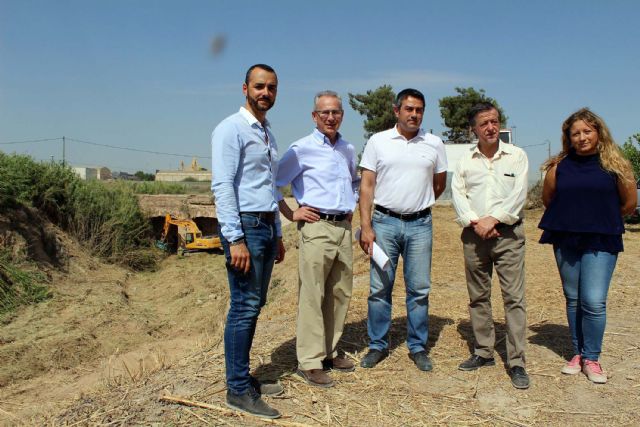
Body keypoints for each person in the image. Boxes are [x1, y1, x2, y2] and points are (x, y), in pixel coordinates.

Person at [538, 108, 636, 384]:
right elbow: (549, 199)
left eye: (587, 131)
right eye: (575, 133)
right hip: (566, 237)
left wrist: (599, 217)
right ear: (568, 138)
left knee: (593, 301)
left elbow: (628, 204)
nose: (581, 137)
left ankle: (592, 357)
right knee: (574, 298)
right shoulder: (559, 167)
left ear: (598, 132)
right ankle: (577, 353)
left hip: (601, 239)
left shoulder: (616, 166)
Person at [211, 64, 286, 419]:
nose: (265, 93)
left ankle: (243, 378)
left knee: (254, 304)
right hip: (246, 227)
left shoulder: (267, 132)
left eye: (271, 88)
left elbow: (269, 187)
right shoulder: (231, 129)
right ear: (245, 88)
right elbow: (223, 185)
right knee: (243, 306)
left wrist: (280, 233)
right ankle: (237, 389)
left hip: (267, 226)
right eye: (259, 86)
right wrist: (235, 238)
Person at [358, 88, 447, 372]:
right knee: (379, 288)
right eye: (409, 109)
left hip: (421, 225)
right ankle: (377, 345)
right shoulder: (378, 141)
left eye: (419, 110)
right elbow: (367, 186)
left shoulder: (434, 143)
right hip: (384, 223)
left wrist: (419, 204)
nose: (414, 114)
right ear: (396, 110)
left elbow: (439, 184)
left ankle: (418, 346)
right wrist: (365, 226)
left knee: (419, 289)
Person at [276, 90, 360, 388]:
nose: (330, 117)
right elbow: (273, 183)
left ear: (342, 115)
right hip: (316, 227)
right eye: (324, 112)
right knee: (313, 294)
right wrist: (290, 214)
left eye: (335, 112)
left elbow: (354, 180)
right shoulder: (301, 149)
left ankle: (329, 352)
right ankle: (309, 362)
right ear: (314, 116)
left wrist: (352, 204)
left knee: (339, 292)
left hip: (343, 228)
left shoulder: (348, 149)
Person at [451, 102, 530, 389]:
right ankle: (484, 351)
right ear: (473, 128)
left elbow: (518, 195)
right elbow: (459, 196)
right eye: (483, 123)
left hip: (508, 235)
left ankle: (517, 361)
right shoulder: (464, 161)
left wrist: (493, 220)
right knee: (478, 296)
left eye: (494, 121)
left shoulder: (516, 157)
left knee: (513, 298)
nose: (490, 127)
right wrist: (477, 222)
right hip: (474, 237)